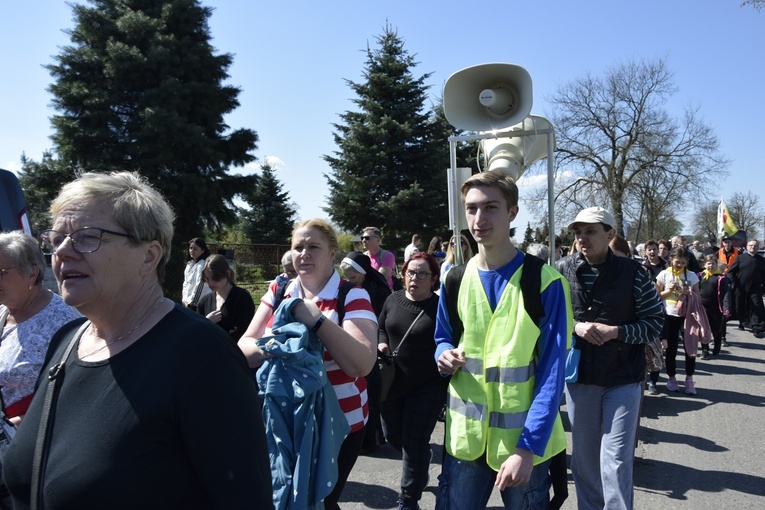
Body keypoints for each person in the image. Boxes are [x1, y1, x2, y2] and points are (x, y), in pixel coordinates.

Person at [4, 171, 272, 509]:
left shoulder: (203, 357)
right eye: (56, 238)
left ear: (149, 255)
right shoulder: (65, 341)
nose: (63, 251)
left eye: (87, 237)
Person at [434, 171, 572, 510]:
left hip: (523, 445)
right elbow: (442, 338)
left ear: (512, 212)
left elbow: (553, 374)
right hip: (465, 442)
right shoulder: (455, 278)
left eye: (491, 207)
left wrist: (527, 449)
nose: (479, 219)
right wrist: (442, 356)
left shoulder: (545, 282)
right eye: (471, 209)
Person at [239, 219, 378, 510]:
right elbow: (244, 348)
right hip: (284, 418)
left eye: (314, 246)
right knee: (288, 496)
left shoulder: (351, 295)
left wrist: (313, 320)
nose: (304, 253)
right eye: (298, 247)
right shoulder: (279, 292)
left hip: (340, 423)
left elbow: (362, 363)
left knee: (321, 500)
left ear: (332, 253)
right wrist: (283, 346)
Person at [557, 206, 664, 510]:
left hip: (623, 376)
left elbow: (655, 322)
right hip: (580, 378)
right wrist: (575, 327)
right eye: (578, 232)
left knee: (616, 458)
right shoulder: (561, 269)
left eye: (590, 231)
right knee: (585, 459)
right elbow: (545, 320)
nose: (582, 238)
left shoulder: (633, 273)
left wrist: (616, 331)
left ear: (610, 234)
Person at [377, 252, 444, 510]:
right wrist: (381, 342)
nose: (414, 278)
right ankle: (422, 459)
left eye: (422, 274)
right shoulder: (392, 299)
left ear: (434, 278)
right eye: (410, 272)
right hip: (392, 384)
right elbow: (381, 326)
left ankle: (408, 499)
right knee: (393, 436)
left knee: (413, 442)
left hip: (427, 386)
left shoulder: (440, 308)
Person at [0, 232, 81, 425]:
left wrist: (15, 427)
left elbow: (76, 395)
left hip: (30, 440)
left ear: (32, 273)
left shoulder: (66, 321)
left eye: (1, 272)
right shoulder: (3, 310)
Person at [339, 251, 392, 453]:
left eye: (353, 277)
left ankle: (372, 439)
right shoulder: (349, 290)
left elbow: (383, 318)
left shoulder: (377, 290)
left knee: (371, 393)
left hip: (372, 344)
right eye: (347, 277)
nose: (350, 281)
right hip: (353, 343)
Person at [656, 246, 700, 394]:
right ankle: (672, 378)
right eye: (677, 262)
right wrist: (668, 290)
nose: (680, 265)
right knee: (671, 349)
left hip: (687, 316)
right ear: (671, 260)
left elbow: (698, 296)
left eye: (683, 262)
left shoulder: (692, 276)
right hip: (669, 315)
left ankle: (689, 379)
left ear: (687, 262)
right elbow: (656, 297)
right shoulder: (663, 274)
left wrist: (688, 293)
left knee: (690, 348)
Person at [196, 254, 256, 342]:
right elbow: (197, 332)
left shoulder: (242, 298)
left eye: (215, 278)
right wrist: (207, 322)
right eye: (207, 279)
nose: (211, 283)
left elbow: (242, 331)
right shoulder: (204, 302)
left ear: (227, 274)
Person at [727, 239, 765, 338]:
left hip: (755, 287)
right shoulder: (740, 258)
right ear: (747, 247)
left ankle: (757, 328)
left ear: (758, 248)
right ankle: (742, 322)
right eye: (751, 245)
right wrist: (732, 281)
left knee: (757, 306)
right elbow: (731, 272)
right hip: (741, 286)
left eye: (755, 246)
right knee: (740, 305)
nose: (753, 247)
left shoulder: (761, 260)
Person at [698, 255, 731, 357]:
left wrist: (726, 308)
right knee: (703, 328)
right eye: (708, 264)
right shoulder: (700, 276)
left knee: (715, 328)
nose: (711, 266)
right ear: (704, 265)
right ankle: (705, 349)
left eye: (713, 264)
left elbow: (726, 294)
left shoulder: (720, 278)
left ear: (717, 265)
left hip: (716, 308)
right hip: (702, 306)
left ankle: (717, 342)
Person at [182, 236, 212, 311]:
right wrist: (184, 299)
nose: (192, 251)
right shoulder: (189, 264)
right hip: (188, 303)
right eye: (190, 248)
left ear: (202, 251)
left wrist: (192, 303)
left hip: (199, 305)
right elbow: (186, 283)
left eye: (195, 249)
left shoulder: (203, 265)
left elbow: (200, 285)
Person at [362, 226, 397, 290]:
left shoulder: (387, 256)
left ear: (378, 240)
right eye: (362, 238)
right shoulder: (363, 256)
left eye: (367, 238)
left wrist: (366, 276)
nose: (363, 240)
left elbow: (381, 278)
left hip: (383, 295)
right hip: (367, 292)